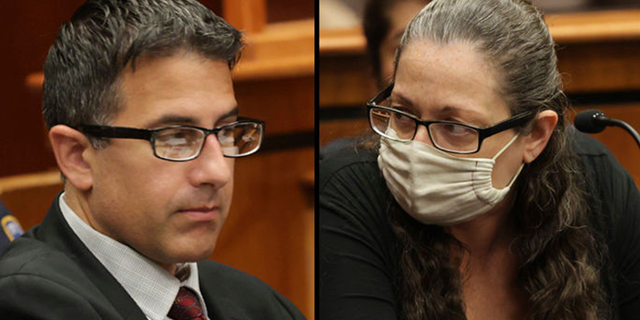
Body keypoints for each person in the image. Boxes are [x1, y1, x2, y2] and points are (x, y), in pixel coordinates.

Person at [319, 0, 640, 319]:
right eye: (402, 114)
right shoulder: (348, 191)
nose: (415, 148)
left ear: (535, 135)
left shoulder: (595, 181)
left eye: (454, 126)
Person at [0, 1, 306, 319]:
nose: (218, 172)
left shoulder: (262, 306)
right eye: (175, 136)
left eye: (226, 131)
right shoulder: (23, 304)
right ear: (77, 157)